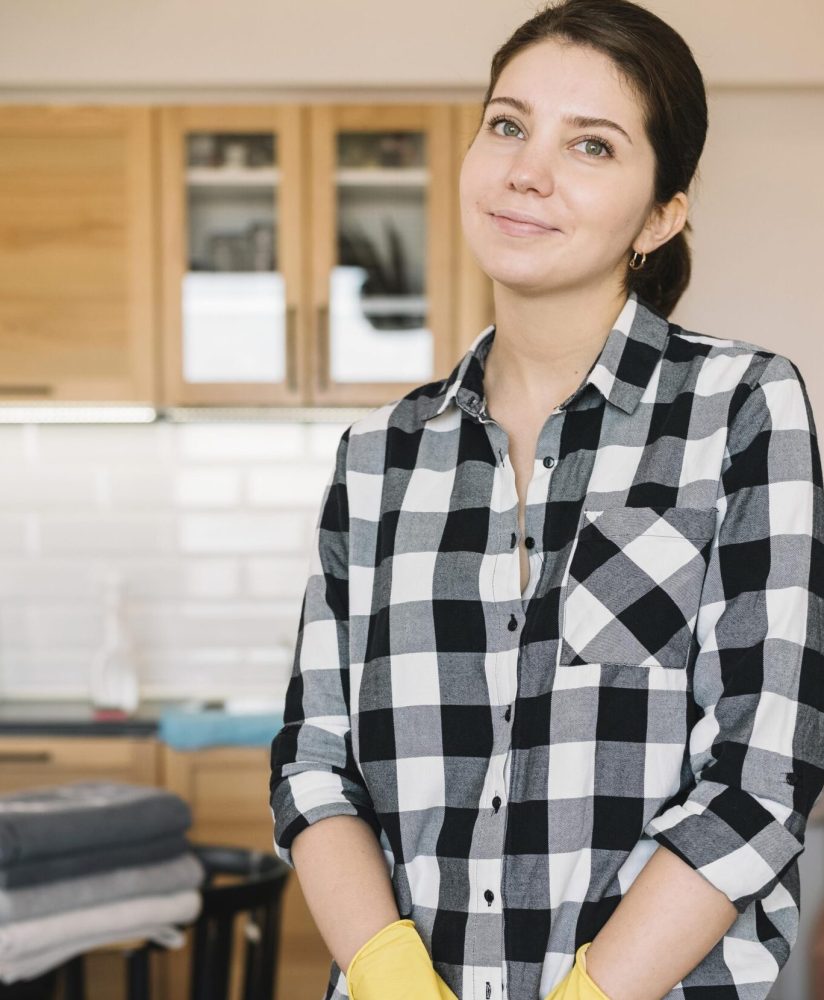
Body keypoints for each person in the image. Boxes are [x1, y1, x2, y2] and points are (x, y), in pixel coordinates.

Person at [269, 0, 824, 997]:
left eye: (593, 145)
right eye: (508, 124)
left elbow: (760, 774)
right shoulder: (376, 458)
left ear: (659, 215)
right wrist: (393, 976)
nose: (527, 167)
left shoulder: (740, 408)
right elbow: (314, 767)